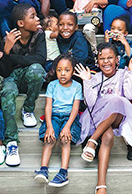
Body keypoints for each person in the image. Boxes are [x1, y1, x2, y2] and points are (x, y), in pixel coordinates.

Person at [76, 43, 132, 194]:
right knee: (108, 135)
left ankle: (92, 141)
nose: (106, 62)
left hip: (119, 117)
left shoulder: (124, 74)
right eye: (102, 58)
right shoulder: (94, 77)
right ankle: (101, 186)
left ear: (117, 60)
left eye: (110, 58)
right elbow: (91, 104)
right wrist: (87, 81)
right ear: (97, 61)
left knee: (117, 101)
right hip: (99, 120)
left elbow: (130, 96)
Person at [0, 3, 48, 166]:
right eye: (33, 16)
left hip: (28, 77)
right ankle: (11, 142)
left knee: (37, 70)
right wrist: (6, 51)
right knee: (7, 91)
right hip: (11, 78)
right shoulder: (8, 39)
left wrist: (12, 59)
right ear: (21, 23)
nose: (37, 19)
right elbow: (5, 72)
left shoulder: (39, 35)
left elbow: (40, 59)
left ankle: (28, 109)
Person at [34, 54, 83, 188]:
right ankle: (43, 169)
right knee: (49, 138)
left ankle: (63, 173)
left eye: (67, 70)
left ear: (73, 71)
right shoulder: (52, 85)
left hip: (69, 117)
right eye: (59, 70)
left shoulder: (77, 86)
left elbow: (75, 109)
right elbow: (48, 106)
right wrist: (49, 126)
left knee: (65, 139)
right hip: (54, 116)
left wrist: (67, 127)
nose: (63, 73)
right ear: (55, 71)